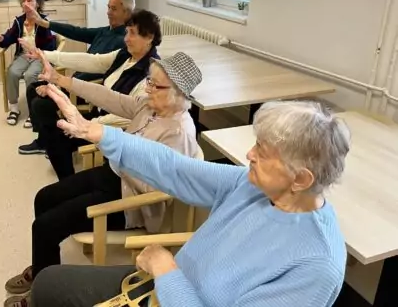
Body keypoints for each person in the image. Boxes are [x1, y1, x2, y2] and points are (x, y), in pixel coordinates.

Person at [29, 99, 351, 307]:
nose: (249, 154)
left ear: (301, 179)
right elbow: (176, 169)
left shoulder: (316, 266)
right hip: (163, 284)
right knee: (47, 284)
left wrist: (166, 270)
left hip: (169, 284)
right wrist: (98, 133)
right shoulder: (253, 185)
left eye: (262, 153)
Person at [3, 53, 203, 307]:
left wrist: (114, 149)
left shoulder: (179, 133)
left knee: (45, 226)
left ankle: (40, 299)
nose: (147, 89)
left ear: (177, 93)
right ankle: (42, 268)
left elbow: (153, 189)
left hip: (132, 201)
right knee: (44, 197)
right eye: (149, 81)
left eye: (155, 85)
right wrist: (62, 80)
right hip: (113, 176)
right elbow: (111, 98)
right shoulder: (151, 106)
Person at [18, 9, 162, 158]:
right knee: (46, 115)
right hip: (98, 112)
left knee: (56, 139)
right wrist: (44, 54)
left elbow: (129, 118)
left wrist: (87, 124)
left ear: (149, 38)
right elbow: (92, 60)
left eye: (132, 33)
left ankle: (56, 155)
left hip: (111, 128)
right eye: (126, 32)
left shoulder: (150, 75)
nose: (126, 39)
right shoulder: (125, 54)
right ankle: (44, 142)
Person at [19, 0, 133, 129]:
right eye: (108, 7)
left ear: (127, 13)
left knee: (40, 103)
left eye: (113, 9)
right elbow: (76, 31)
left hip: (85, 89)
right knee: (32, 89)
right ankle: (43, 135)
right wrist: (44, 23)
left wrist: (61, 85)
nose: (108, 12)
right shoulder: (106, 31)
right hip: (73, 82)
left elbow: (97, 68)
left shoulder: (124, 41)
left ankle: (53, 134)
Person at [0, 0, 56, 126]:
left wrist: (36, 49)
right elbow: (9, 37)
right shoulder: (19, 21)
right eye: (23, 1)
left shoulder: (44, 21)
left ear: (37, 3)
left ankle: (34, 111)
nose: (26, 3)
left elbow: (50, 44)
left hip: (39, 56)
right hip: (23, 55)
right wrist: (1, 39)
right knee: (12, 72)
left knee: (30, 75)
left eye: (29, 0)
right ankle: (14, 108)